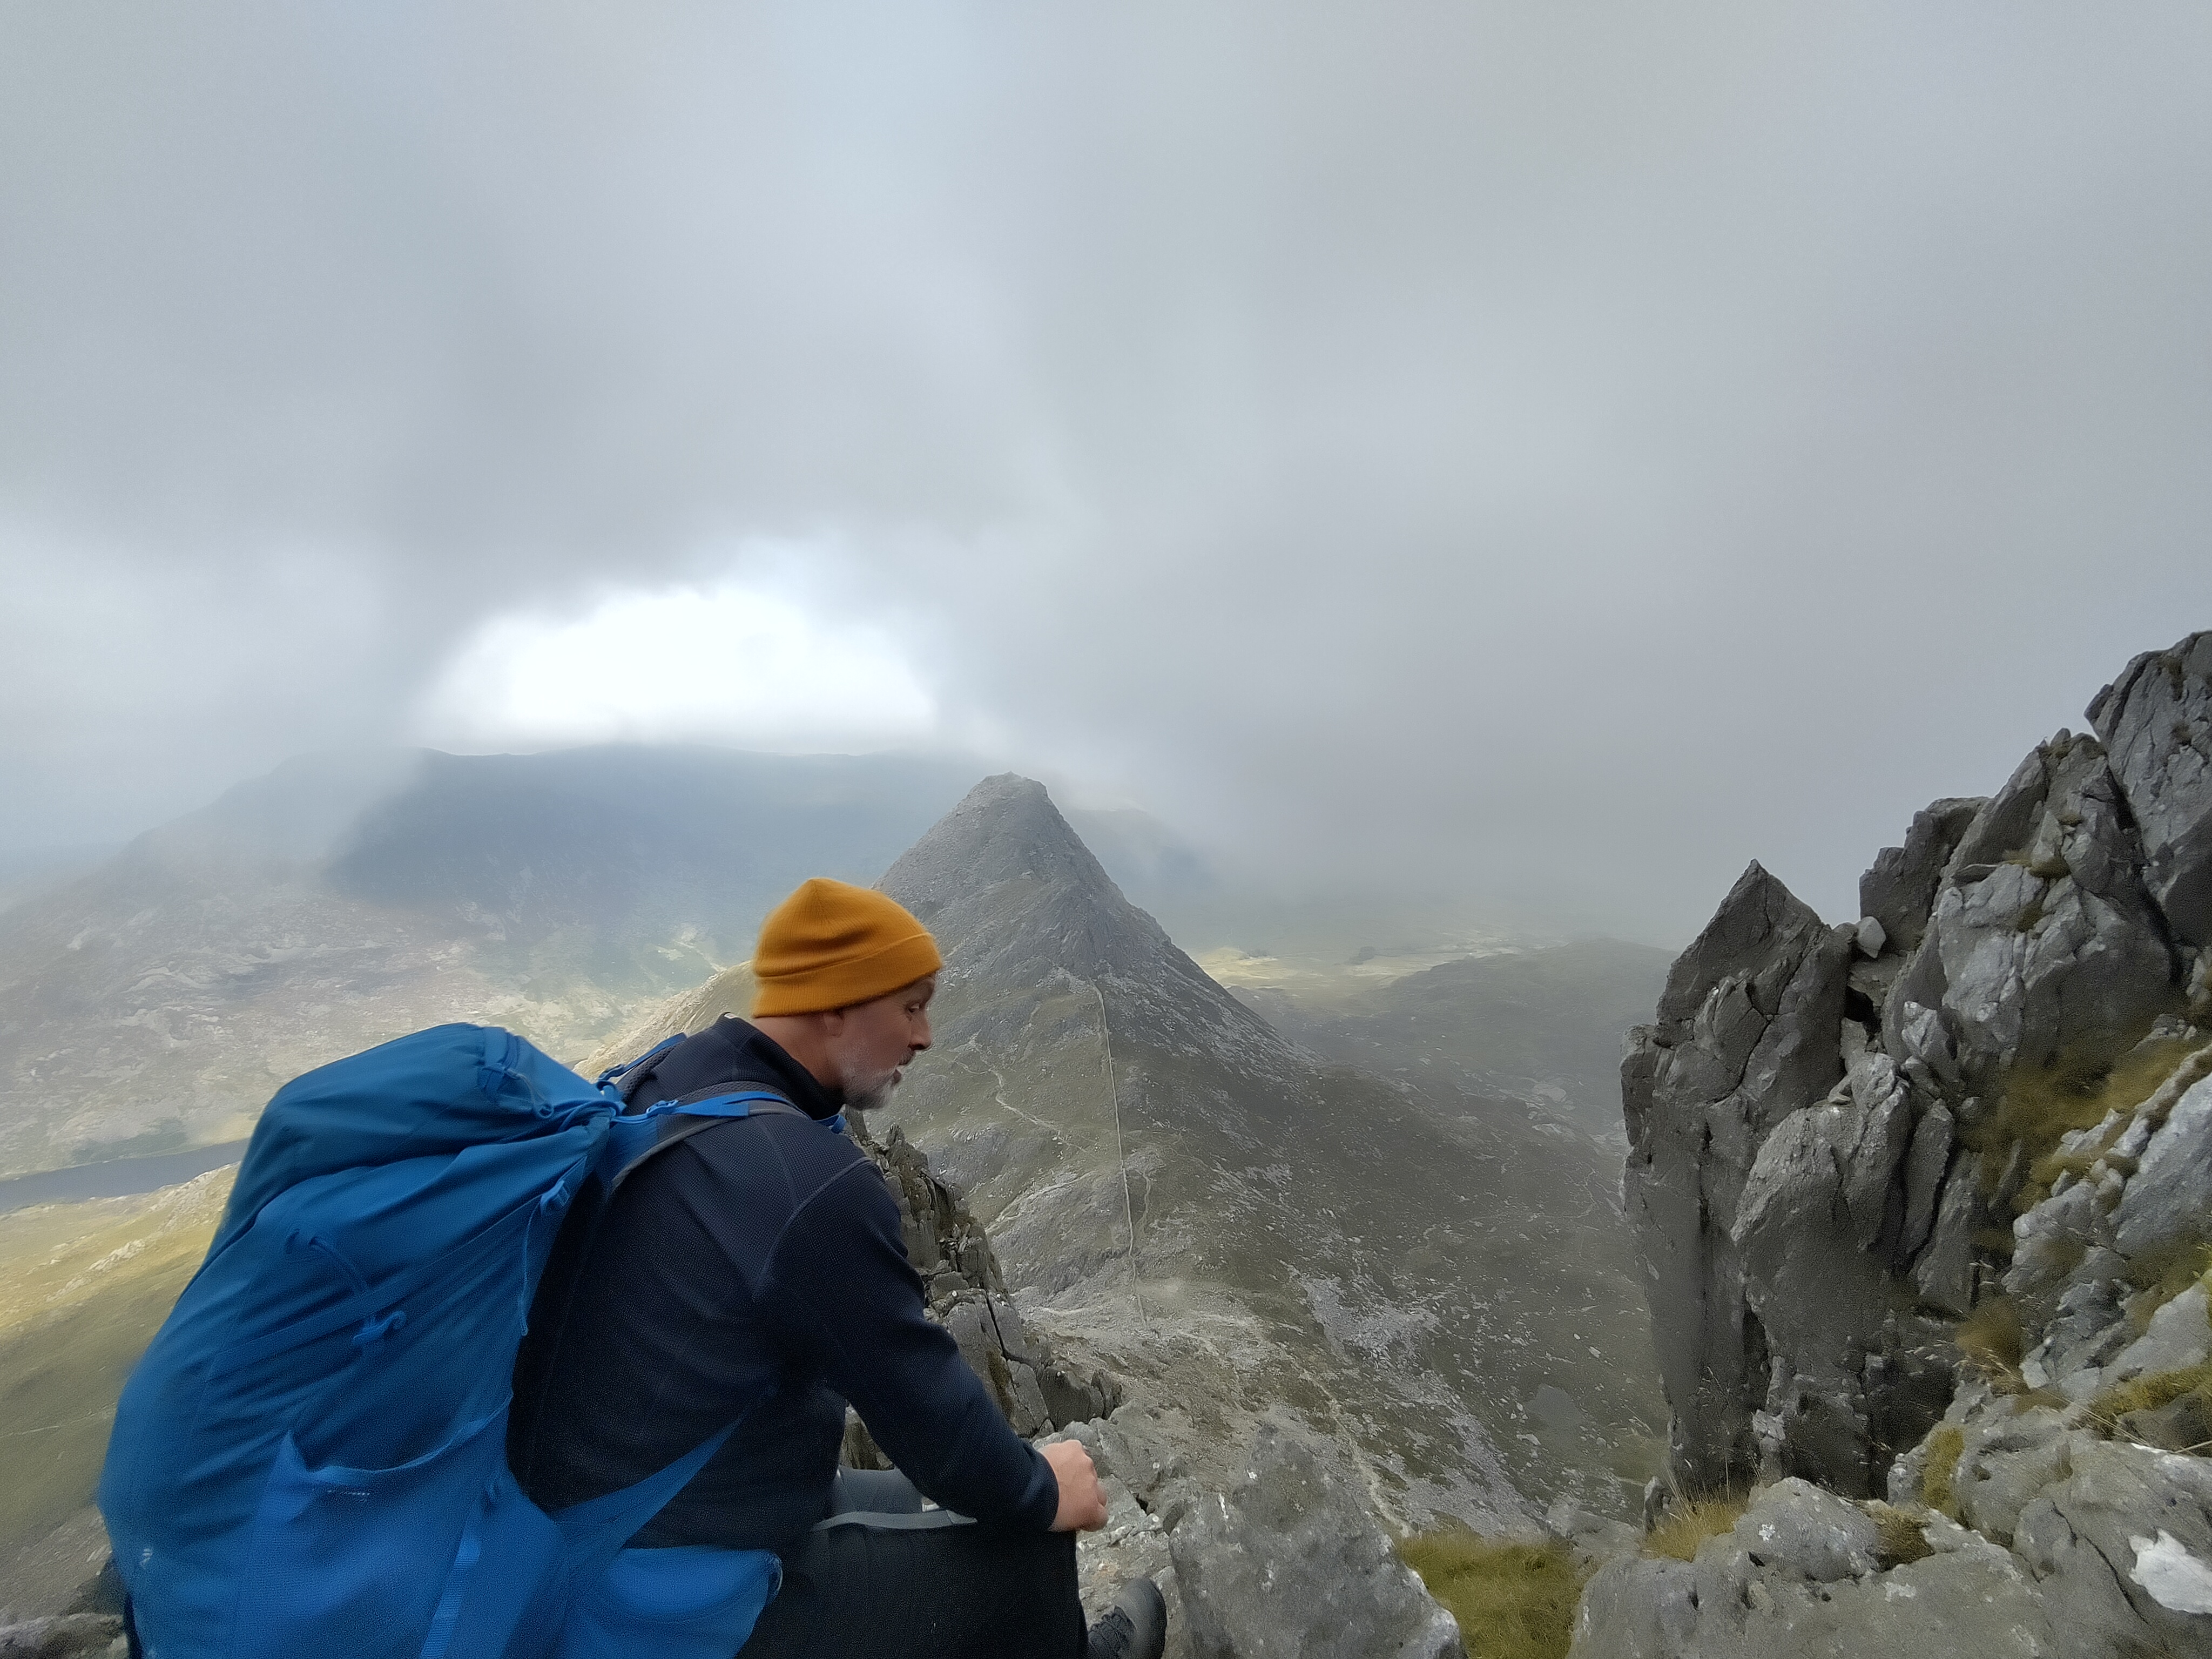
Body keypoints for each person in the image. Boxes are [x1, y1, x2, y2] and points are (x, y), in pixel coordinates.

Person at [508, 877, 1166, 1659]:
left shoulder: (668, 1081)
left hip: (596, 1522)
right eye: (911, 1007)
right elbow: (930, 1417)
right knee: (1024, 1540)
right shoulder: (804, 1184)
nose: (925, 1037)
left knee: (905, 1498)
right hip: (661, 1602)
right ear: (834, 1005)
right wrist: (1044, 1486)